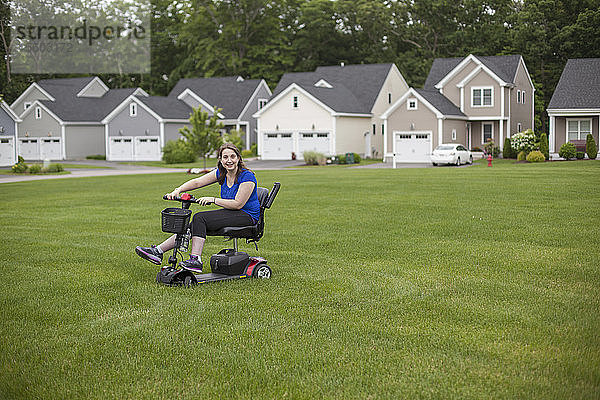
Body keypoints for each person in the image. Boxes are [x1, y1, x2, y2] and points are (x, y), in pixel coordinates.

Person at [135, 143, 260, 272]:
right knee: (193, 224)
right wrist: (177, 190)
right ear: (221, 160)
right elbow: (197, 182)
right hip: (231, 212)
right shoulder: (222, 173)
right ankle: (158, 251)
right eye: (225, 157)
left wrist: (213, 200)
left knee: (200, 218)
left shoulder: (247, 176)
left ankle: (196, 260)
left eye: (232, 156)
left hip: (247, 215)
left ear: (239, 158)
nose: (229, 160)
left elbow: (238, 203)